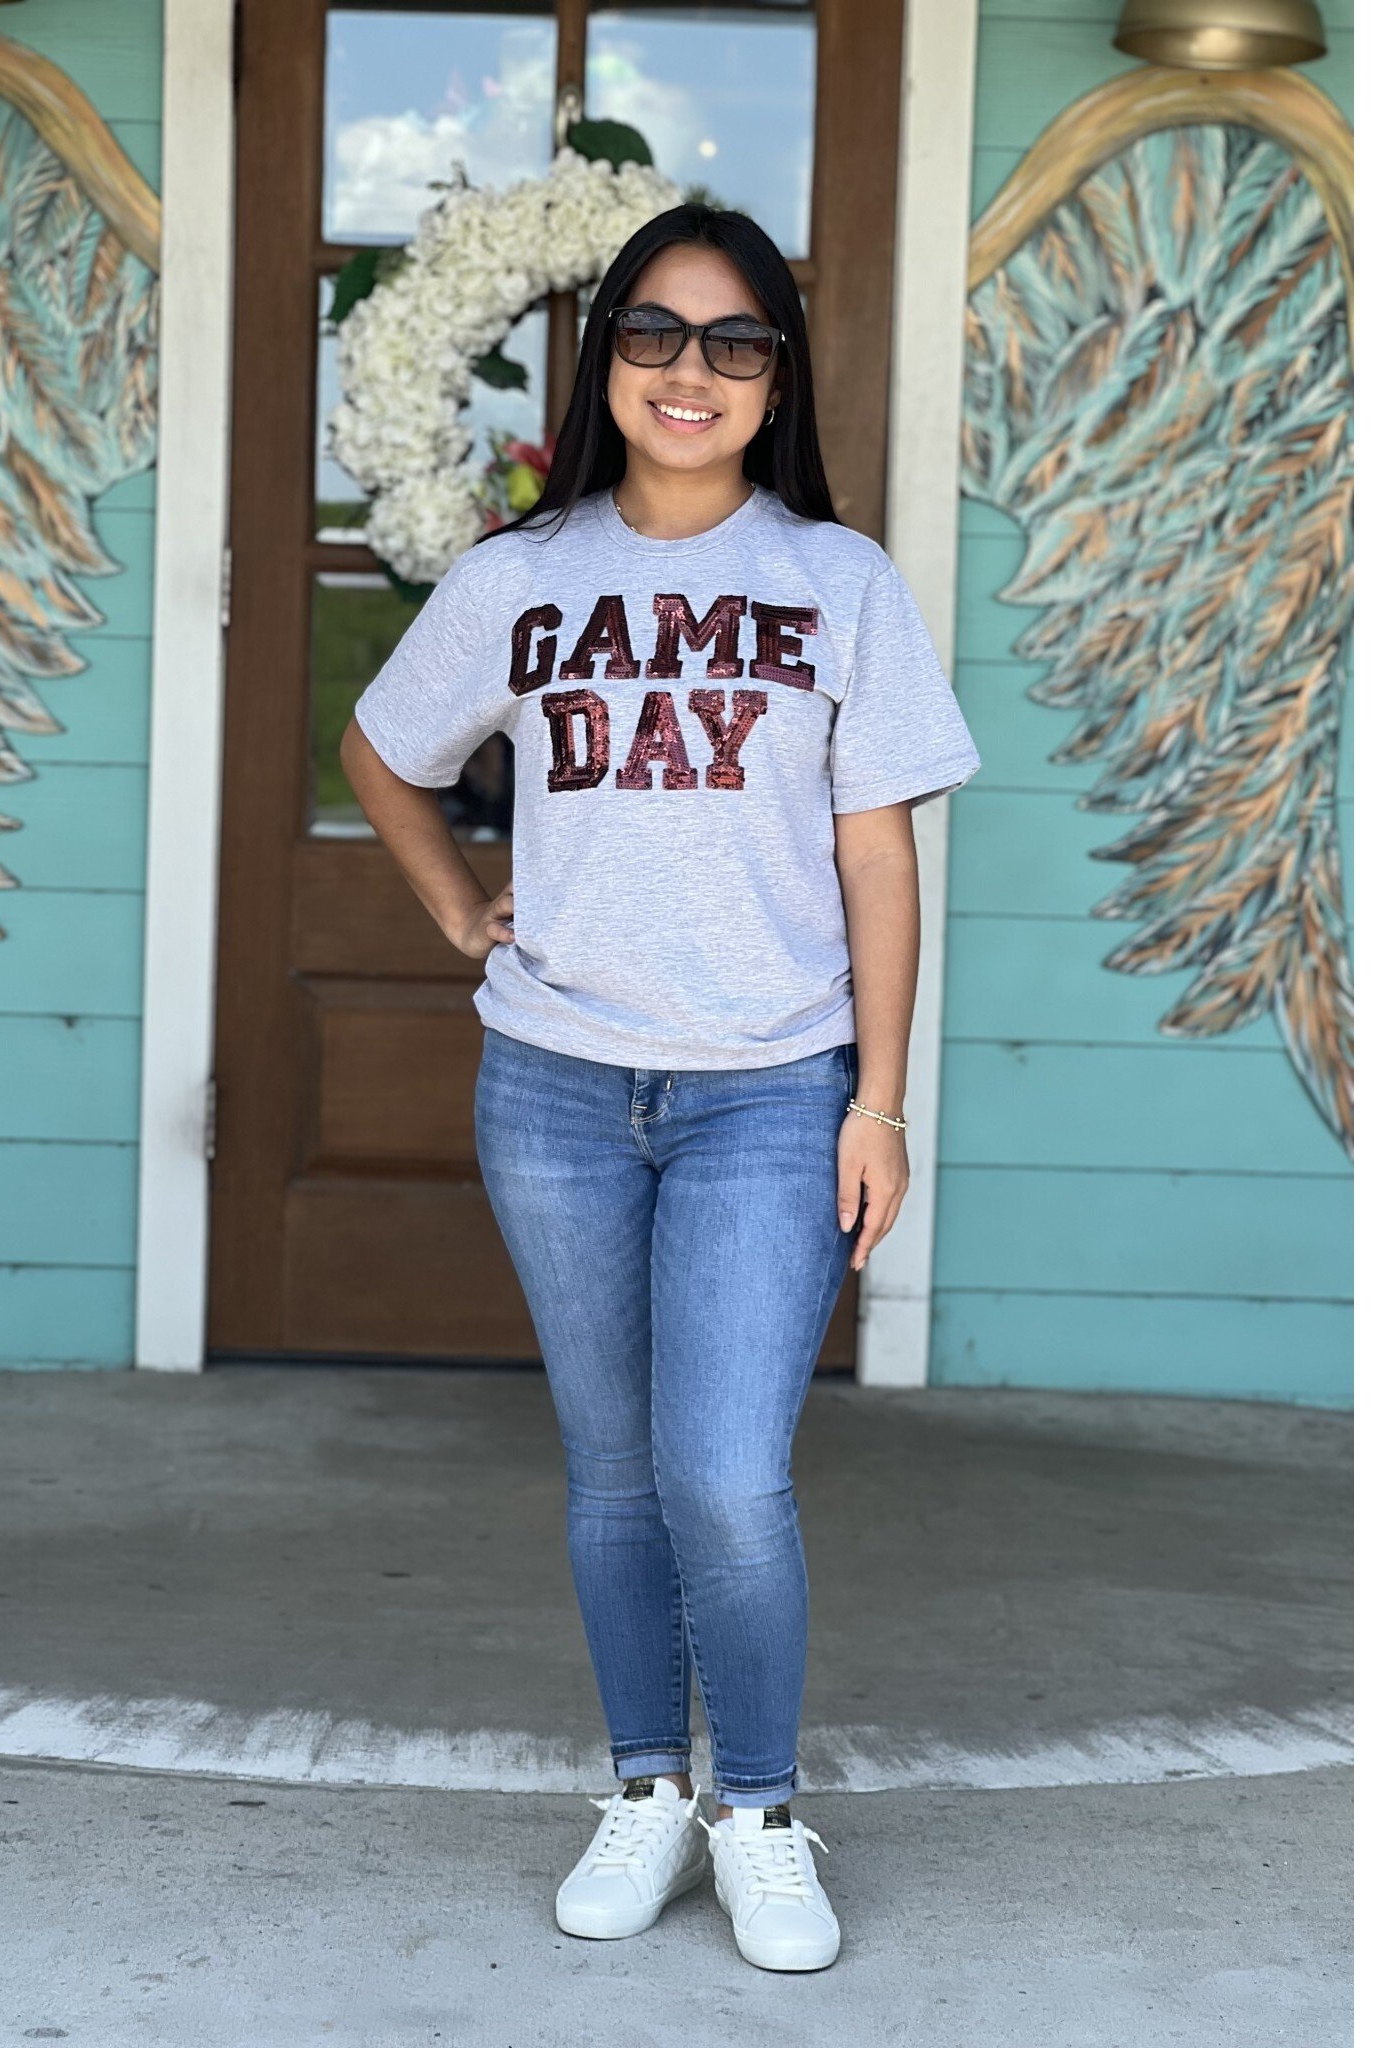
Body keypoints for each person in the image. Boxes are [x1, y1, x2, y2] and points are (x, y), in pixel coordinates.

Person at [340, 203, 981, 1974]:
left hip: (771, 1092)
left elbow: (881, 867)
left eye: (734, 342)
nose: (688, 372)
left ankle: (759, 1813)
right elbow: (385, 752)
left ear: (776, 378)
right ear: (602, 356)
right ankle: (645, 1790)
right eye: (652, 334)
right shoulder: (515, 578)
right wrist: (465, 907)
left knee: (723, 1474)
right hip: (553, 1083)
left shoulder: (837, 583)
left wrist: (881, 1102)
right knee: (614, 1474)